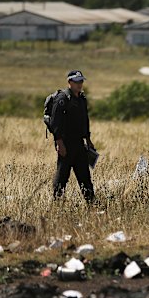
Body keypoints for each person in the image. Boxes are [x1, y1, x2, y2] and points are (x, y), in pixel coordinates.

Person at [51, 70, 95, 203]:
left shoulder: (81, 99)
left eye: (81, 81)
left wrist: (88, 139)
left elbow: (84, 120)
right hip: (66, 143)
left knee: (84, 176)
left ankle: (91, 203)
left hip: (79, 143)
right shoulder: (62, 99)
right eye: (76, 82)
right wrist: (59, 143)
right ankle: (57, 202)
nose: (79, 84)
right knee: (63, 175)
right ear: (69, 82)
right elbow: (55, 123)